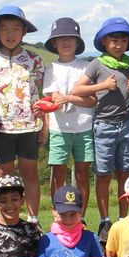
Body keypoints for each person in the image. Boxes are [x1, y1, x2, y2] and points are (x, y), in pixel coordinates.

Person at [71, 16, 129, 245]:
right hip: (104, 125)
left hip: (128, 124)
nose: (119, 45)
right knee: (103, 174)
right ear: (104, 41)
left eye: (123, 40)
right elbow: (78, 89)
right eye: (114, 40)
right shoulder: (97, 64)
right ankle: (105, 220)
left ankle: (123, 218)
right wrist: (103, 86)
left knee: (126, 173)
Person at [0, 5, 45, 224]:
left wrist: (44, 125)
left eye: (16, 28)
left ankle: (33, 220)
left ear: (24, 32)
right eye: (5, 29)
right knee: (3, 176)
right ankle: (3, 221)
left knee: (30, 173)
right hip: (1, 127)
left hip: (30, 126)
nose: (10, 34)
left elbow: (43, 94)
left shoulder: (35, 59)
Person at [41, 16, 97, 212]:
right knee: (58, 173)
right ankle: (58, 214)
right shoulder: (51, 69)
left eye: (71, 38)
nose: (66, 42)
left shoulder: (86, 67)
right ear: (54, 43)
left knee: (83, 173)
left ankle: (80, 216)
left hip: (84, 127)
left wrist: (67, 98)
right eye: (61, 38)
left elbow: (92, 100)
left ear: (78, 42)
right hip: (59, 129)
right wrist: (61, 98)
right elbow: (51, 99)